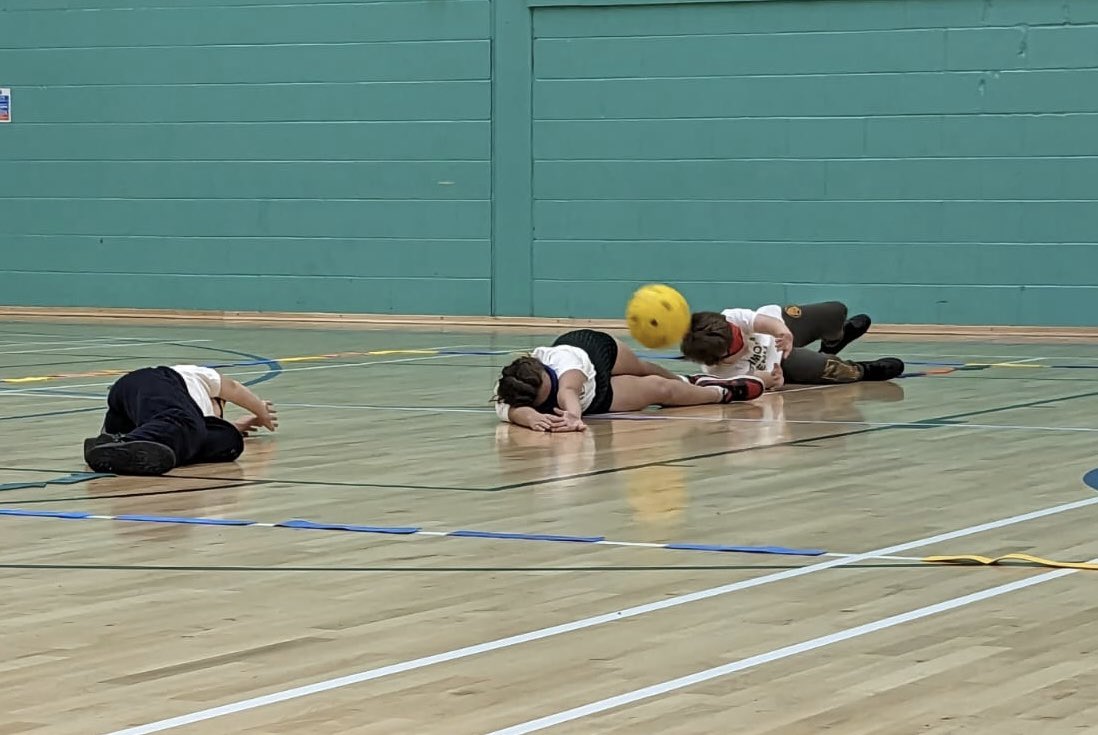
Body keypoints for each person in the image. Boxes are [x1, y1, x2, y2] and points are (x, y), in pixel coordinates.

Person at [493, 329, 764, 432]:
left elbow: (568, 392)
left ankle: (689, 381)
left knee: (644, 369)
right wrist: (527, 417)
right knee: (660, 391)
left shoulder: (566, 366)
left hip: (596, 352)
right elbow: (508, 409)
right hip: (599, 396)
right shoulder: (511, 388)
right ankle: (723, 392)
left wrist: (573, 417)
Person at [82, 364, 277, 476]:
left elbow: (201, 427)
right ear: (217, 400)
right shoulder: (199, 379)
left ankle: (117, 447)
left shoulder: (196, 422)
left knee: (228, 440)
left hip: (132, 419)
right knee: (181, 421)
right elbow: (233, 387)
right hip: (149, 381)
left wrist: (237, 426)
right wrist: (261, 411)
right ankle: (123, 444)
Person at [679, 302, 904, 389]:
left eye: (741, 337)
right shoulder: (721, 373)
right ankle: (864, 370)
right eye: (739, 349)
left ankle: (835, 339)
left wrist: (782, 332)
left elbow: (761, 321)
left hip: (779, 329)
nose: (746, 346)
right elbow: (758, 381)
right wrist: (771, 379)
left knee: (836, 311)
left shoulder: (729, 317)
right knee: (835, 369)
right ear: (719, 359)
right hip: (779, 363)